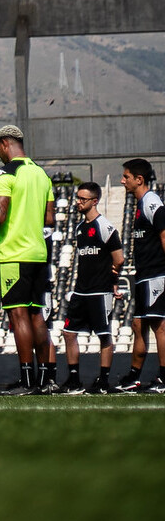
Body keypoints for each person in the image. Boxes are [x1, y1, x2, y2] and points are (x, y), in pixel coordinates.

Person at [0, 124, 56, 395]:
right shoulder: (42, 175)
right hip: (38, 254)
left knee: (18, 314)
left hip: (14, 254)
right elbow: (49, 219)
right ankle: (45, 380)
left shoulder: (5, 174)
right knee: (37, 315)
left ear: (3, 145)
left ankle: (26, 380)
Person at [57, 182, 124, 394]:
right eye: (77, 198)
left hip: (99, 291)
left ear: (94, 201)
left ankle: (103, 381)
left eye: (82, 199)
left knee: (104, 336)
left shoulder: (105, 227)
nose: (78, 202)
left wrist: (112, 280)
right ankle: (74, 380)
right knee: (68, 333)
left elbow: (119, 259)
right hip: (80, 291)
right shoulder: (79, 229)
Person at [114, 159, 165, 394]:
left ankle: (163, 379)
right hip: (144, 275)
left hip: (156, 274)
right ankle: (134, 377)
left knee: (159, 327)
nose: (123, 181)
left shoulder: (152, 202)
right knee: (138, 324)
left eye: (126, 177)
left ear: (139, 179)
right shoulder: (140, 203)